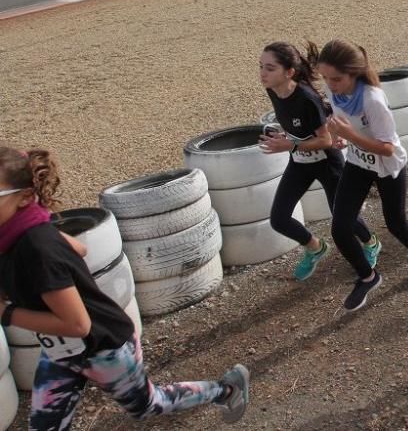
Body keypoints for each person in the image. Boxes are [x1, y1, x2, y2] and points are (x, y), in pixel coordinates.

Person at [0, 147, 249, 428]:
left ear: (23, 197)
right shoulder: (16, 234)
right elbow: (79, 248)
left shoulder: (36, 249)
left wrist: (6, 314)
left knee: (148, 406)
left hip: (104, 347)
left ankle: (227, 389)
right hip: (61, 351)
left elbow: (78, 324)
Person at [313, 40, 408, 311]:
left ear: (353, 73)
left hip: (388, 165)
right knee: (340, 226)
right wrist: (337, 137)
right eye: (325, 78)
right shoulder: (333, 90)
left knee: (395, 223)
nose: (330, 84)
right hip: (358, 163)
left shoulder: (373, 99)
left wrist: (350, 135)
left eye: (336, 78)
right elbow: (339, 121)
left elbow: (387, 148)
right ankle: (368, 276)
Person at [259, 42, 380, 281]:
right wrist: (287, 138)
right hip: (300, 161)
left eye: (270, 68)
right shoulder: (273, 89)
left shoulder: (306, 97)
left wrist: (289, 144)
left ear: (289, 72)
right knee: (279, 219)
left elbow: (325, 140)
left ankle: (370, 242)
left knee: (343, 217)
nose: (263, 73)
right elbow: (299, 127)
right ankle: (315, 247)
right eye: (261, 66)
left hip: (327, 163)